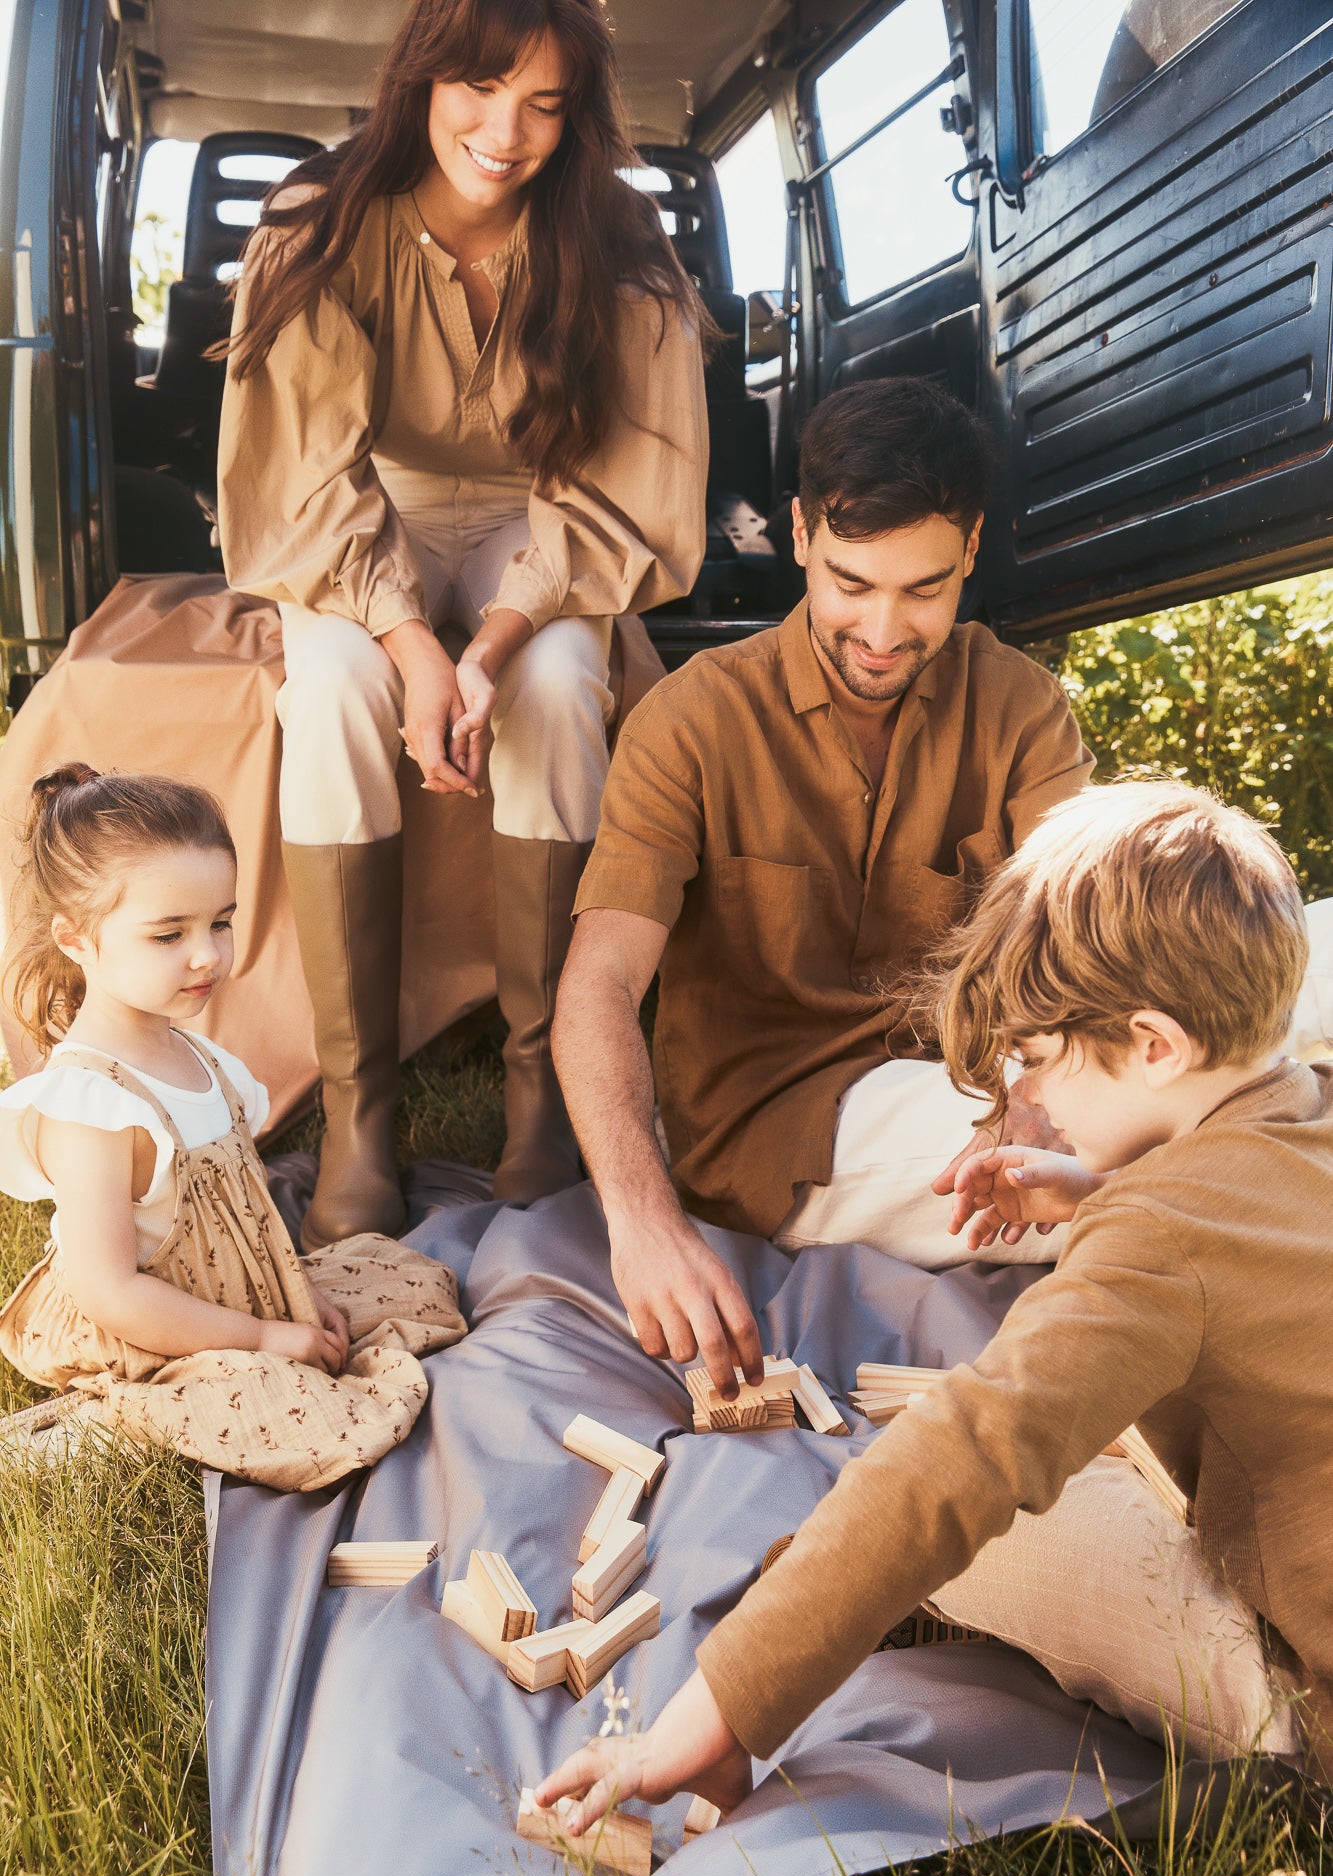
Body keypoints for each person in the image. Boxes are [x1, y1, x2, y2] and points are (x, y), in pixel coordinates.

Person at [536, 781, 1332, 1826]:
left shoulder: (1157, 1243)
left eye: (1040, 1058)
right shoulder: (1306, 1102)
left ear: (1154, 1046)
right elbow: (1240, 1234)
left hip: (1304, 1695)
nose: (1033, 1097)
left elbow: (965, 1455)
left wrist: (719, 1709)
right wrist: (1096, 1192)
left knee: (979, 1512)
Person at [217, 0, 709, 1247]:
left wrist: (490, 642)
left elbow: (619, 486)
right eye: (482, 90)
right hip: (362, 501)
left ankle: (541, 1099)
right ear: (421, 77)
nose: (507, 131)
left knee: (554, 680)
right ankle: (359, 1115)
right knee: (330, 692)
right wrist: (411, 644)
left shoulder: (617, 235)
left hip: (543, 516)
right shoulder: (319, 215)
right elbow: (309, 475)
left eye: (546, 103)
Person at [553, 377, 1093, 1395]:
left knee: (1295, 958)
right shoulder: (690, 720)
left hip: (993, 1083)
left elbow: (1081, 945)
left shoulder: (1020, 705)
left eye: (923, 590)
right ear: (798, 535)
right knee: (1176, 1145)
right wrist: (643, 1219)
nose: (883, 631)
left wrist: (1033, 1088)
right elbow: (598, 983)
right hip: (789, 1129)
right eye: (852, 583)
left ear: (970, 551)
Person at [0, 766, 466, 1489]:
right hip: (147, 1328)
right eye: (168, 934)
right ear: (76, 938)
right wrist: (263, 1336)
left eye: (220, 921)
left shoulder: (193, 1054)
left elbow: (239, 1216)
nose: (207, 954)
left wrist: (295, 1301)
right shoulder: (91, 1104)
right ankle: (97, 1427)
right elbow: (113, 1292)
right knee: (316, 1418)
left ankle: (260, 1350)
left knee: (408, 1284)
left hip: (229, 1295)